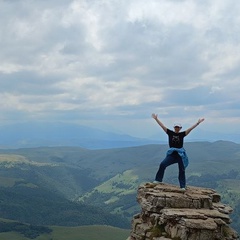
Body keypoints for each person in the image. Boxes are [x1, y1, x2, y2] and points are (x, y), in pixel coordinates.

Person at [151, 113, 205, 190]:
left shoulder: (182, 134)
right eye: (176, 127)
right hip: (172, 154)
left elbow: (190, 129)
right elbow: (162, 126)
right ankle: (158, 180)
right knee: (162, 164)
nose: (177, 128)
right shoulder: (170, 133)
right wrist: (156, 119)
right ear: (174, 127)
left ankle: (182, 186)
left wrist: (198, 123)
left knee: (182, 170)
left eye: (178, 127)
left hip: (180, 155)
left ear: (180, 128)